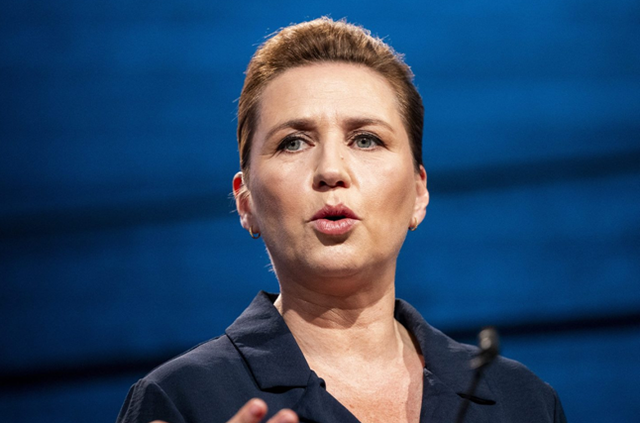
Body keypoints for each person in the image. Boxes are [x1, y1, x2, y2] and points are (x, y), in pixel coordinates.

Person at [117, 17, 566, 423]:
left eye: (366, 139)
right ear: (245, 201)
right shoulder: (181, 400)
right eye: (293, 142)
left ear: (418, 192)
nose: (331, 170)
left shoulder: (522, 401)